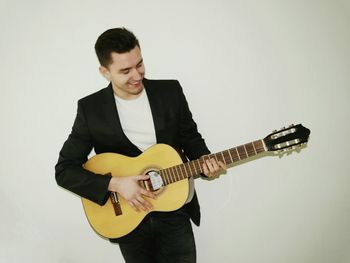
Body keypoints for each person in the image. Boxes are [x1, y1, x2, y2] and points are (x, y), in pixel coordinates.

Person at [55, 27, 225, 263]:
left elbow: (191, 139)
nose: (137, 75)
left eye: (140, 64)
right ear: (105, 72)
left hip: (174, 209)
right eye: (125, 70)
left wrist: (206, 161)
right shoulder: (90, 109)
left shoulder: (170, 92)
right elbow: (64, 171)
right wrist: (115, 184)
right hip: (126, 217)